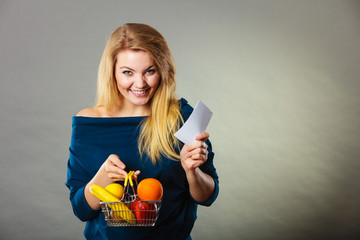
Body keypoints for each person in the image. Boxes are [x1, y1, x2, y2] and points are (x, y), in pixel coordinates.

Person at [65, 23, 219, 240]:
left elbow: (208, 197)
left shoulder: (182, 116)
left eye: (150, 71)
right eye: (128, 72)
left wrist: (191, 171)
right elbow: (80, 210)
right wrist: (102, 178)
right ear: (113, 72)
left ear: (162, 70)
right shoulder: (89, 123)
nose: (140, 83)